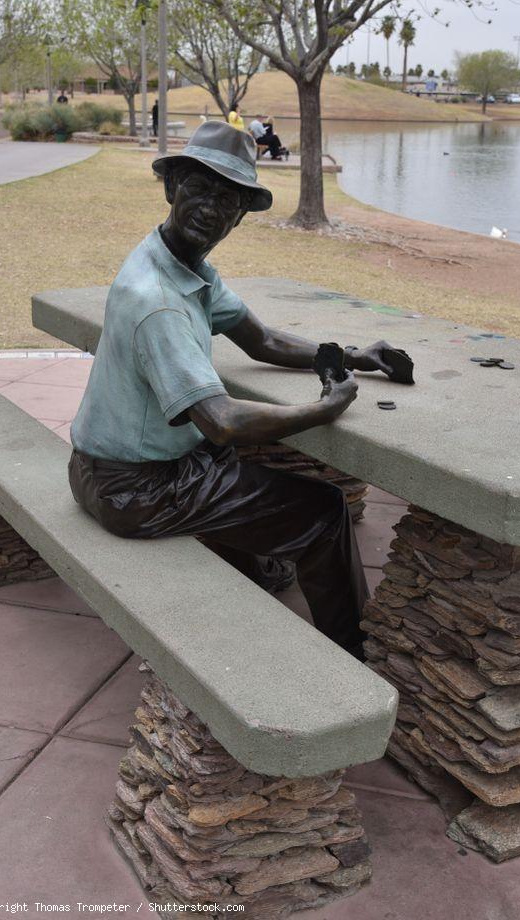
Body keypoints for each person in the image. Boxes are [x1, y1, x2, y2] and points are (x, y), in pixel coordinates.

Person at [67, 121, 395, 660]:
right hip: (135, 491)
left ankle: (257, 569)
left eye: (228, 199)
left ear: (241, 214)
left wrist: (352, 355)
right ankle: (355, 654)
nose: (211, 209)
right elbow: (222, 420)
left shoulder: (179, 264)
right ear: (172, 187)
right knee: (324, 509)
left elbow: (260, 338)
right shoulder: (158, 300)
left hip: (109, 470)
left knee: (235, 471)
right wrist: (323, 407)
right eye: (199, 189)